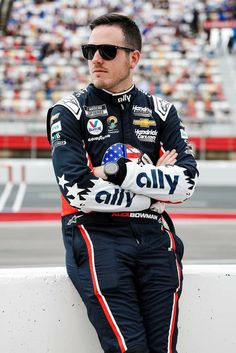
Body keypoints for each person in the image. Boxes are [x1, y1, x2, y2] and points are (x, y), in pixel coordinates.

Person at [46, 13, 198, 353]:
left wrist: (115, 173)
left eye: (107, 50)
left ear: (134, 57)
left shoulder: (162, 111)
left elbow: (185, 183)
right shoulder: (69, 110)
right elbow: (78, 189)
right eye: (90, 50)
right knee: (129, 349)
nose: (96, 58)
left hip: (157, 240)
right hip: (96, 234)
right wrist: (150, 193)